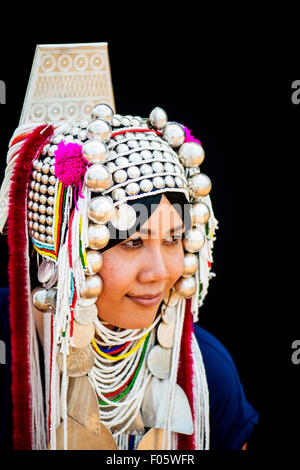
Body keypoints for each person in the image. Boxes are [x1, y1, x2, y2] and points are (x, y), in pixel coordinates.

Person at [0, 103, 258, 451]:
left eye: (173, 240)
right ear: (64, 248)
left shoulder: (208, 371)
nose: (160, 272)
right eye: (134, 242)